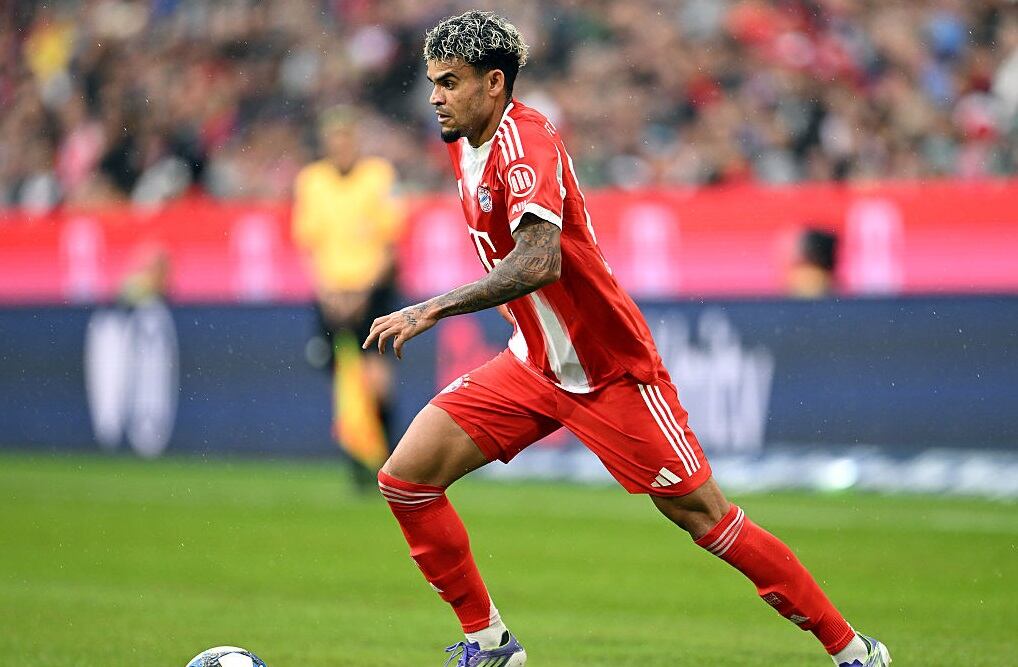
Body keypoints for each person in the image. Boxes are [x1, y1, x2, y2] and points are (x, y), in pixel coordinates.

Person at [364, 11, 891, 667]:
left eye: (450, 82)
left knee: (708, 519)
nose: (435, 96)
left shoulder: (526, 145)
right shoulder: (460, 139)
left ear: (494, 83)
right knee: (406, 479)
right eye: (432, 82)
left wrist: (434, 307)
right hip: (534, 364)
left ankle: (855, 650)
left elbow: (538, 261)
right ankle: (491, 644)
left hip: (610, 371)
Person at [293, 105, 404, 489]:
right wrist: (327, 291)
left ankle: (388, 460)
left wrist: (361, 292)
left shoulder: (378, 176)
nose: (340, 146)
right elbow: (311, 245)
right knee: (346, 381)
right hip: (332, 294)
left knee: (376, 380)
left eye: (346, 138)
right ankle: (359, 461)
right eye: (333, 139)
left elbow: (390, 245)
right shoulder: (312, 181)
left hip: (372, 292)